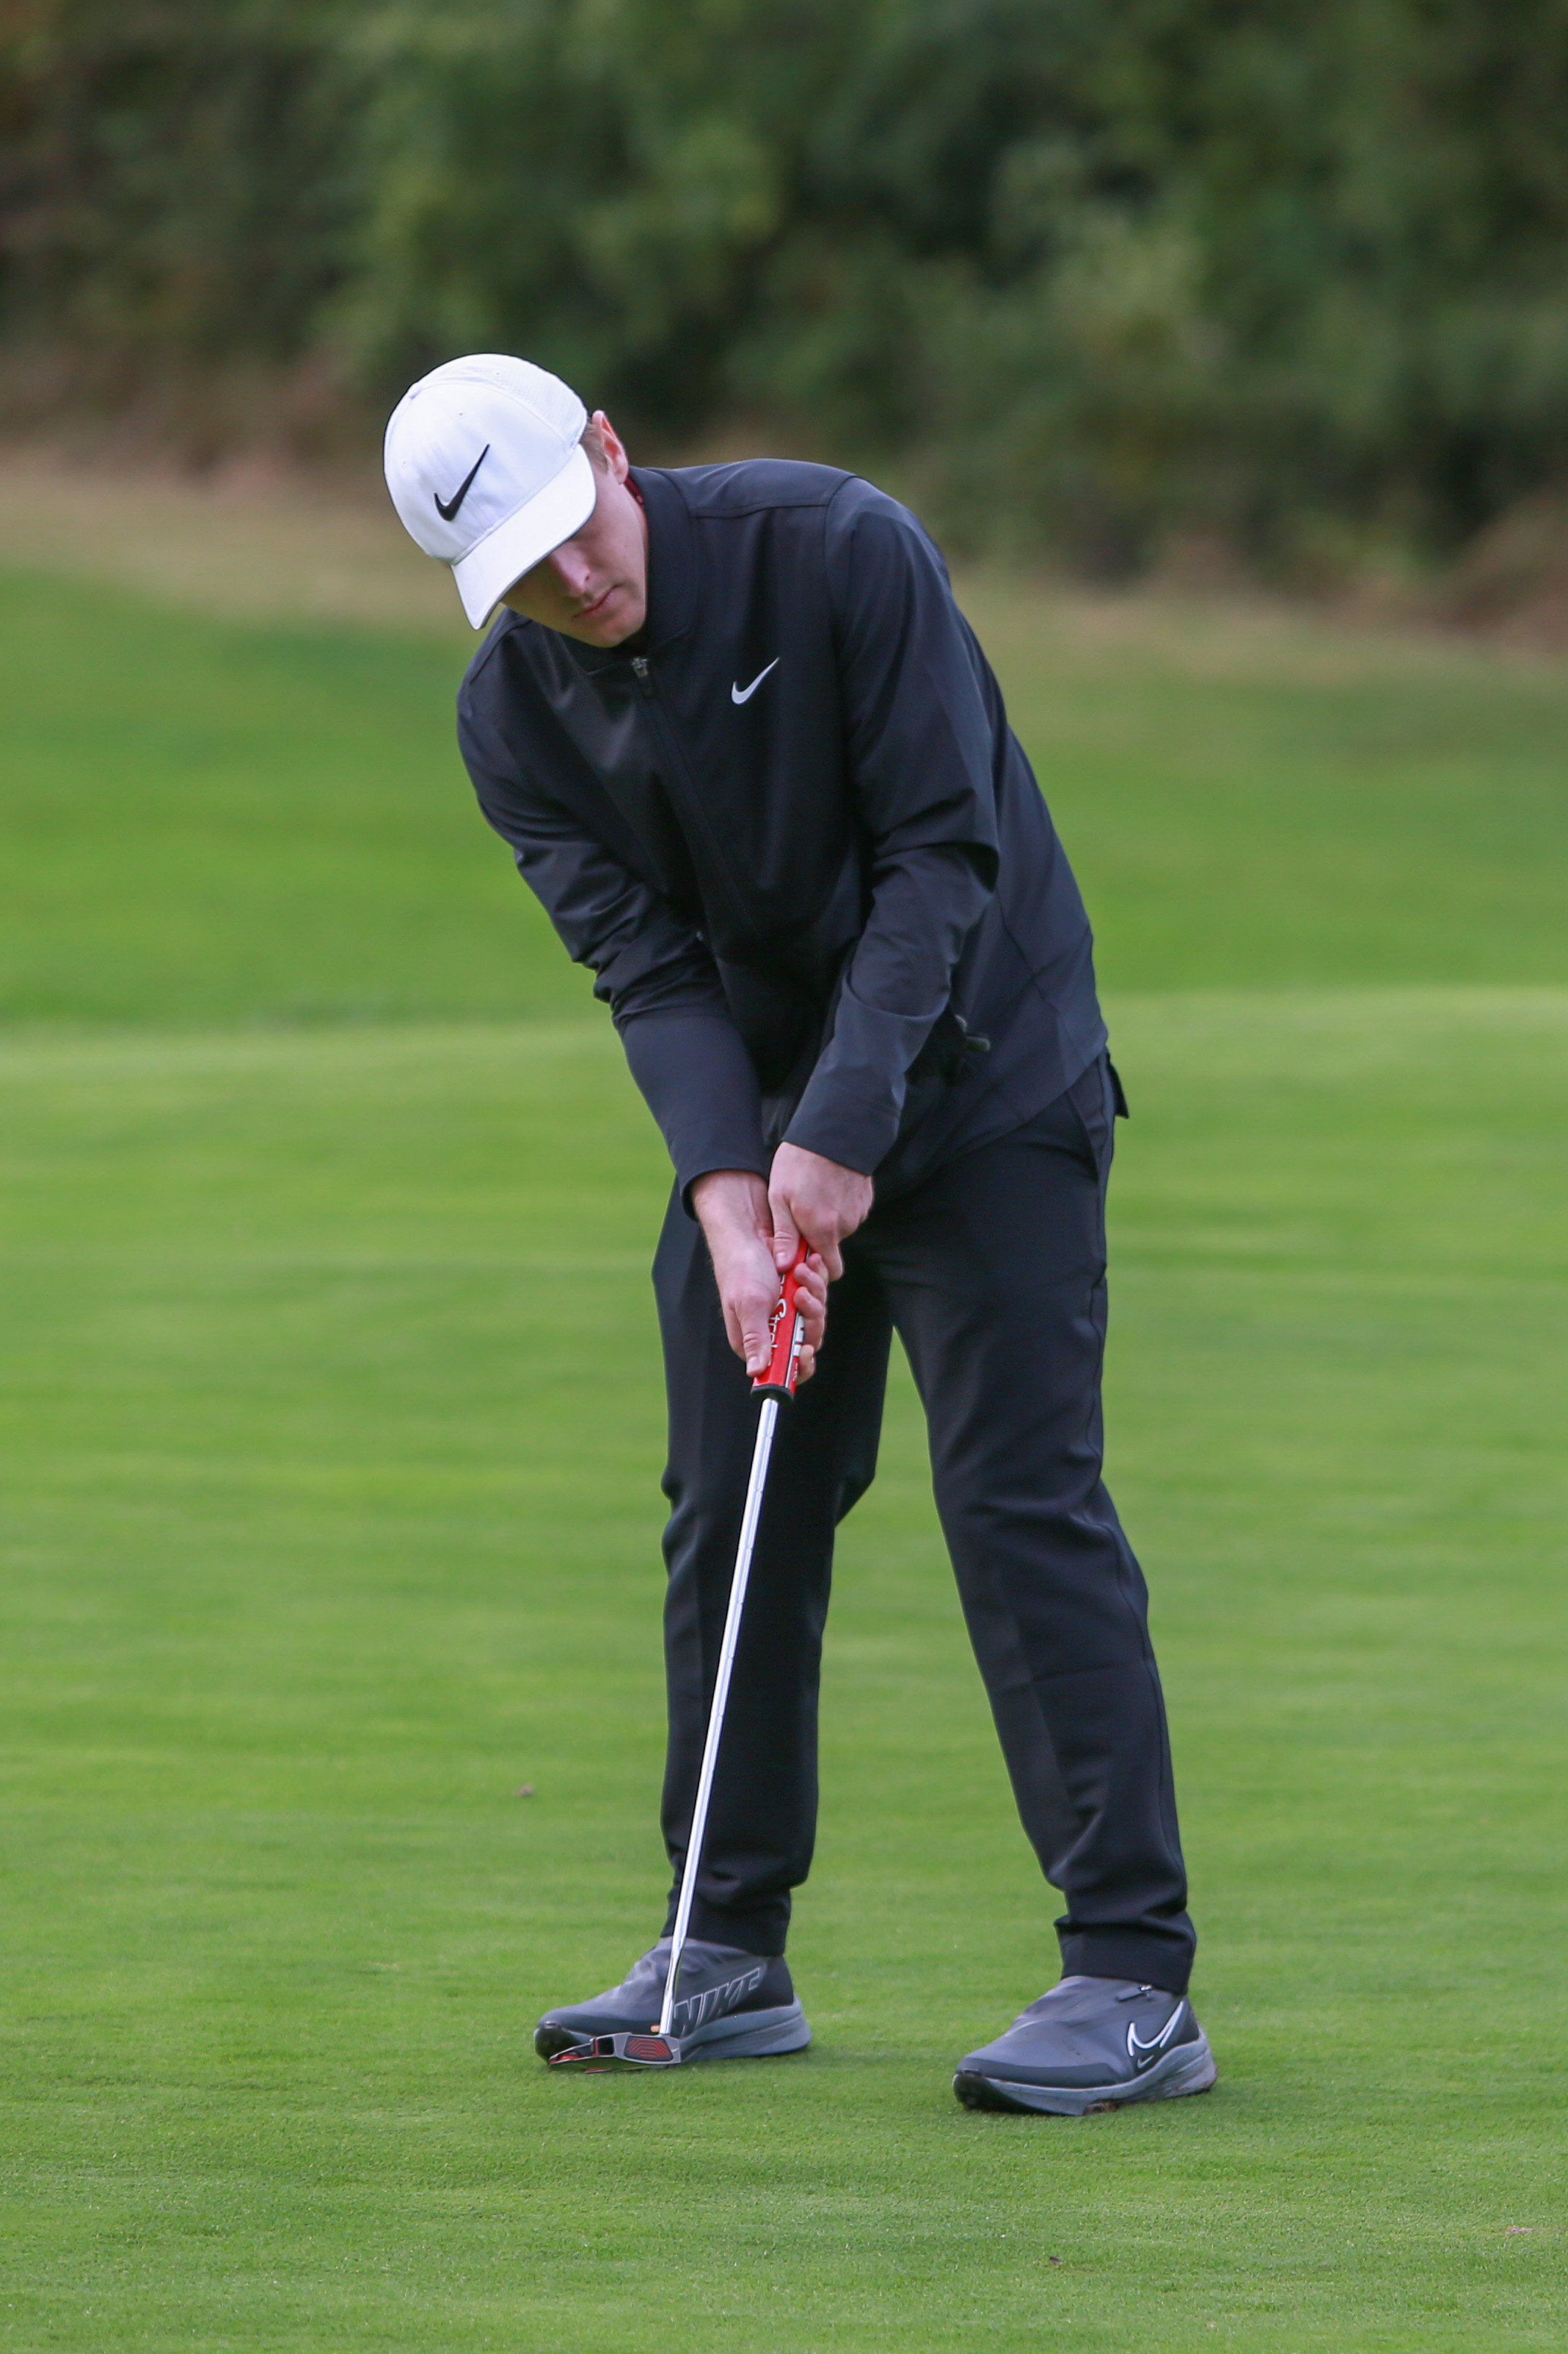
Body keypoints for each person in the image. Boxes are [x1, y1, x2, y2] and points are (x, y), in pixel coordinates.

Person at [382, 351, 1210, 2115]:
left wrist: (842, 1131)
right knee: (735, 1499)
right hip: (765, 1131)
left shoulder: (835, 549)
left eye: (572, 535)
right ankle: (725, 1940)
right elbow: (646, 965)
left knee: (1016, 1501)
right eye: (520, 576)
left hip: (990, 1093)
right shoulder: (511, 717)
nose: (570, 585)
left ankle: (1133, 1980)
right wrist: (731, 1189)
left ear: (610, 448)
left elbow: (941, 853)